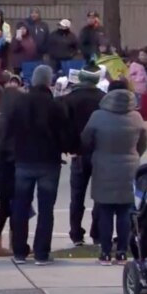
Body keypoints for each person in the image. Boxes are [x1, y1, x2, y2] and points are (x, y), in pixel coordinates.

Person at [5, 65, 74, 265]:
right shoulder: (55, 105)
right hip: (48, 162)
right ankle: (42, 252)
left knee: (20, 207)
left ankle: (19, 251)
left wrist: (12, 153)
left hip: (23, 161)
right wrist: (68, 147)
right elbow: (65, 134)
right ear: (49, 81)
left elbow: (8, 132)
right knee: (46, 210)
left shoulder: (19, 104)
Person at [80, 89, 147, 265]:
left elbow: (86, 140)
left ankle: (104, 252)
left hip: (103, 165)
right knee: (125, 211)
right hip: (129, 168)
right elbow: (143, 143)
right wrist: (134, 155)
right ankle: (122, 252)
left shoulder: (97, 116)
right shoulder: (136, 118)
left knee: (105, 211)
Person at [60, 67, 106, 247]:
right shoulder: (103, 98)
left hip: (78, 152)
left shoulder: (69, 99)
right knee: (100, 195)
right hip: (99, 152)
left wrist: (68, 146)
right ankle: (97, 232)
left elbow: (63, 125)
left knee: (77, 196)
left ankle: (76, 233)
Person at [0, 83, 23, 257]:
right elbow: (9, 148)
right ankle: (13, 244)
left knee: (5, 207)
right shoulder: (13, 122)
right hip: (9, 170)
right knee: (12, 208)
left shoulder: (2, 120)